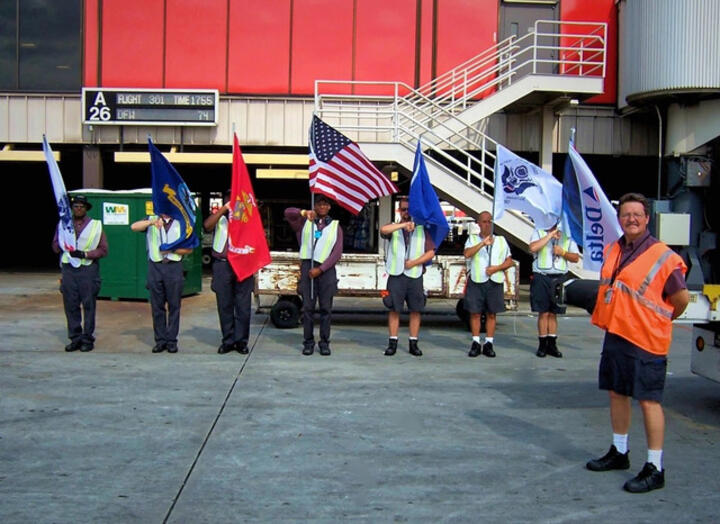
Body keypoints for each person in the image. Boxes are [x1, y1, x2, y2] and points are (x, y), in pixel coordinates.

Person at [586, 193, 689, 494]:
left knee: (649, 401)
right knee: (617, 393)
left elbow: (680, 299)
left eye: (637, 214)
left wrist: (658, 321)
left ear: (647, 219)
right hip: (617, 333)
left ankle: (655, 467)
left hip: (647, 339)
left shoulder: (663, 255)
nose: (631, 219)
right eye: (625, 214)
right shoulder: (614, 249)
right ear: (619, 219)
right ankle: (619, 451)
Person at [284, 195, 343, 356]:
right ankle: (308, 342)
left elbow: (336, 253)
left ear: (330, 207)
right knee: (308, 309)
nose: (322, 206)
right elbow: (288, 213)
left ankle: (324, 342)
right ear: (314, 205)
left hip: (326, 271)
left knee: (325, 309)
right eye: (319, 203)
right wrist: (304, 213)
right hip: (308, 267)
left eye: (326, 204)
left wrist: (321, 269)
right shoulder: (304, 223)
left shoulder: (335, 226)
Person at [380, 197, 436, 357]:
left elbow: (431, 252)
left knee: (415, 310)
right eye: (403, 209)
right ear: (399, 211)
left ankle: (413, 343)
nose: (406, 213)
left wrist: (415, 262)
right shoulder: (395, 227)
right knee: (393, 309)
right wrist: (404, 225)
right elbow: (383, 230)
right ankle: (392, 343)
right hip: (396, 274)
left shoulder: (422, 229)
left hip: (414, 275)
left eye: (409, 210)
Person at [52, 195, 108, 352]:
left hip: (87, 269)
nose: (78, 208)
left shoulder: (95, 225)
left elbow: (103, 250)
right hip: (69, 268)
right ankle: (75, 337)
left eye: (81, 206)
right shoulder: (64, 225)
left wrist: (85, 254)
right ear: (72, 208)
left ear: (86, 208)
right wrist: (63, 245)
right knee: (70, 304)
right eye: (75, 206)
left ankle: (87, 339)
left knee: (89, 305)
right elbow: (55, 246)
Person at [131, 213, 193, 354]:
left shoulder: (181, 221)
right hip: (155, 266)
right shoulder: (151, 219)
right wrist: (151, 223)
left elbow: (189, 249)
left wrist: (171, 249)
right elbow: (134, 227)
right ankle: (160, 340)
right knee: (157, 306)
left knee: (174, 306)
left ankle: (172, 341)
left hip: (174, 266)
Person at [203, 190, 253, 355]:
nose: (231, 200)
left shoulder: (246, 216)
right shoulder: (219, 217)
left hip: (242, 264)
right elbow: (207, 226)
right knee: (224, 305)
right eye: (228, 197)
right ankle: (228, 340)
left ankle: (241, 341)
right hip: (222, 265)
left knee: (243, 306)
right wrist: (224, 209)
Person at [463, 211, 513, 358]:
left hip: (494, 280)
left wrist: (496, 268)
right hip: (477, 279)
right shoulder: (472, 239)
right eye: (484, 221)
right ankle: (476, 342)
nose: (487, 224)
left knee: (491, 313)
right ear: (478, 223)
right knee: (475, 312)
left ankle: (489, 343)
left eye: (489, 221)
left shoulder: (501, 240)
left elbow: (509, 261)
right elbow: (467, 254)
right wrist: (482, 243)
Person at [528, 224, 579, 358]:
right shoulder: (538, 233)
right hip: (542, 276)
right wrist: (549, 236)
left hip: (559, 277)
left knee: (553, 313)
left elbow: (575, 257)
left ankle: (552, 343)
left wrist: (562, 252)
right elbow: (533, 248)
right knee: (543, 312)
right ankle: (542, 343)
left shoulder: (567, 236)